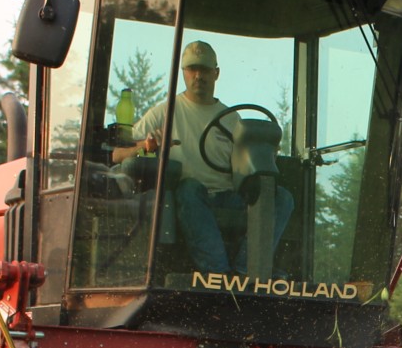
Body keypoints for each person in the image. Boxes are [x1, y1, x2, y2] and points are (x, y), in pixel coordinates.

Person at [111, 40, 293, 275]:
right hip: (192, 199)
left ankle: (245, 271)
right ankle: (218, 275)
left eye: (205, 70)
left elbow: (246, 164)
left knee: (282, 198)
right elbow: (116, 154)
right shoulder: (164, 112)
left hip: (229, 197)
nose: (199, 76)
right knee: (188, 189)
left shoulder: (231, 119)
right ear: (184, 73)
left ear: (216, 74)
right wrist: (145, 146)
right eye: (192, 69)